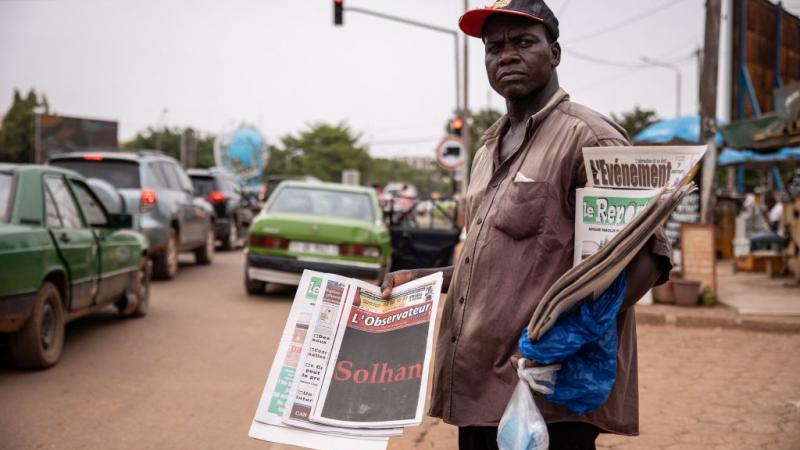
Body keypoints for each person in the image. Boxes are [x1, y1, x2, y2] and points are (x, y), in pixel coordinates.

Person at [381, 1, 673, 449]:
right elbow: (502, 267)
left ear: (554, 54)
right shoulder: (488, 148)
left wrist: (566, 342)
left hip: (547, 399)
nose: (507, 55)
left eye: (523, 43)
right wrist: (419, 279)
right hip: (480, 389)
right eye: (494, 47)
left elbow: (645, 261)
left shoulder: (591, 138)